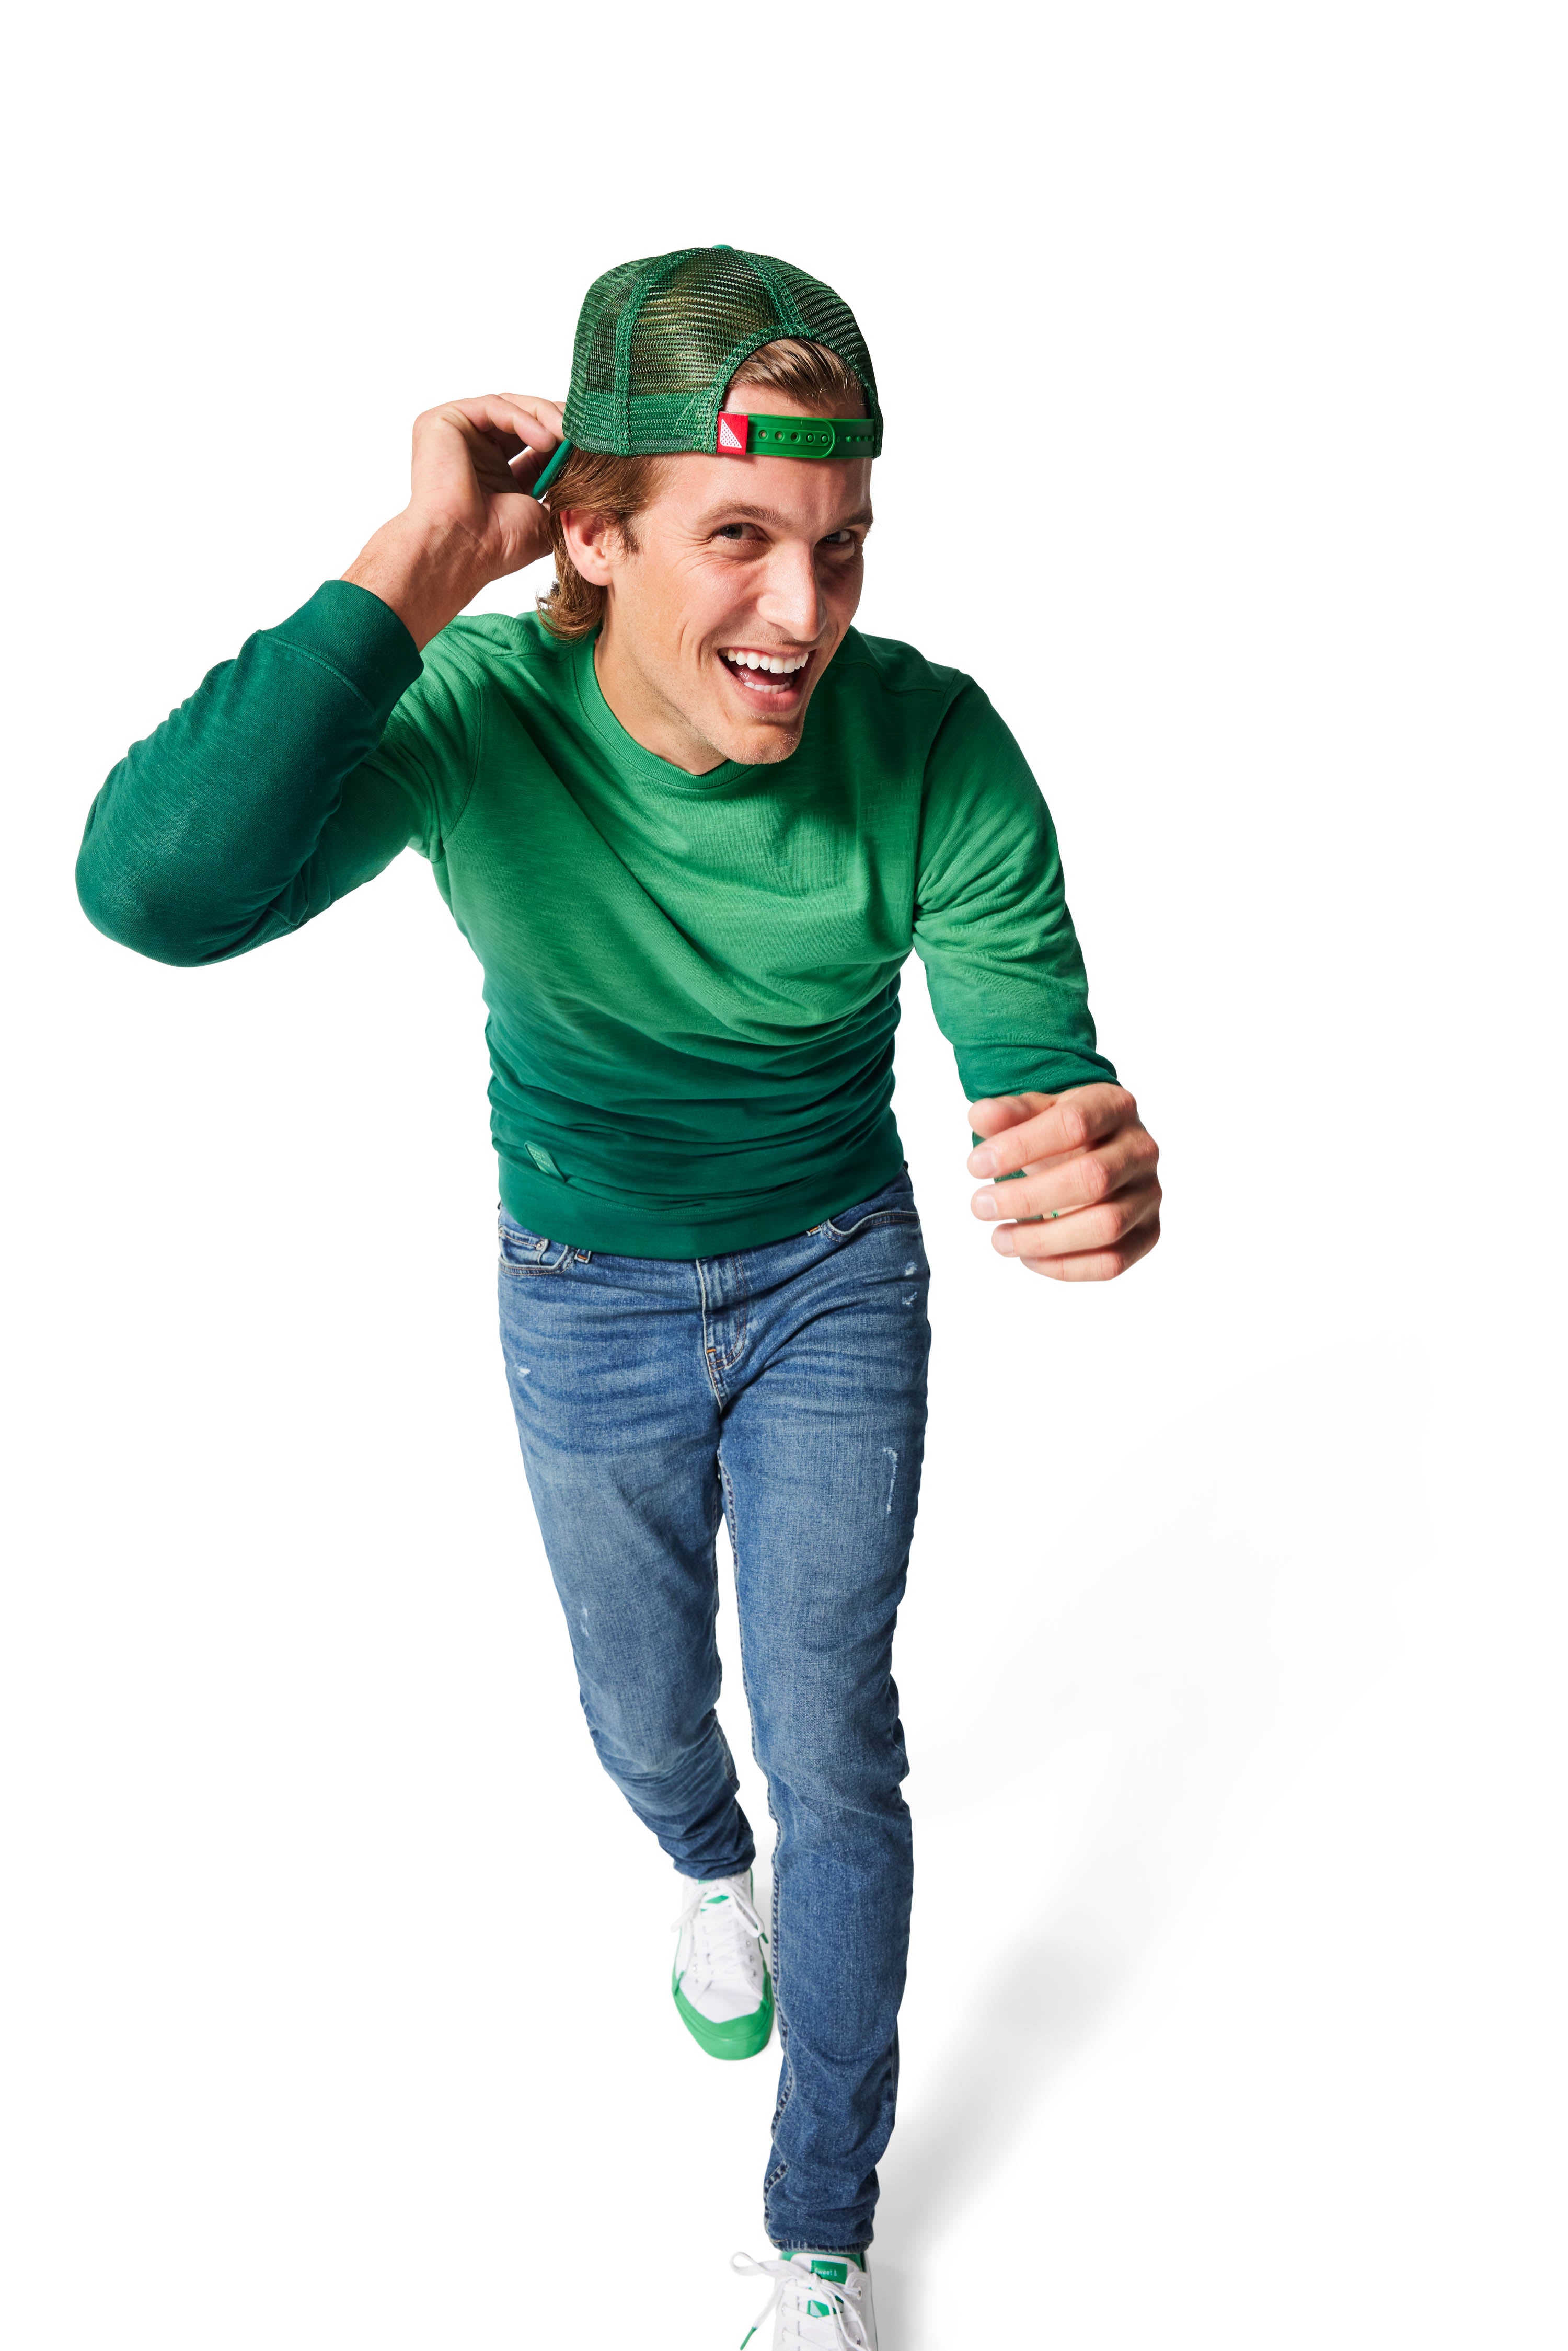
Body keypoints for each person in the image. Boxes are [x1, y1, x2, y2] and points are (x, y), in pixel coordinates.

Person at [76, 245, 1161, 2349]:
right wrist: (411, 555)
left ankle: (821, 2231)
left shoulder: (933, 745)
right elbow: (157, 888)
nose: (804, 616)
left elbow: (1042, 1074)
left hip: (836, 1275)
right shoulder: (473, 717)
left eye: (839, 549)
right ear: (588, 532)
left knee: (839, 1739)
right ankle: (696, 1854)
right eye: (738, 540)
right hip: (578, 1294)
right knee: (646, 1709)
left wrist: (1087, 1165)